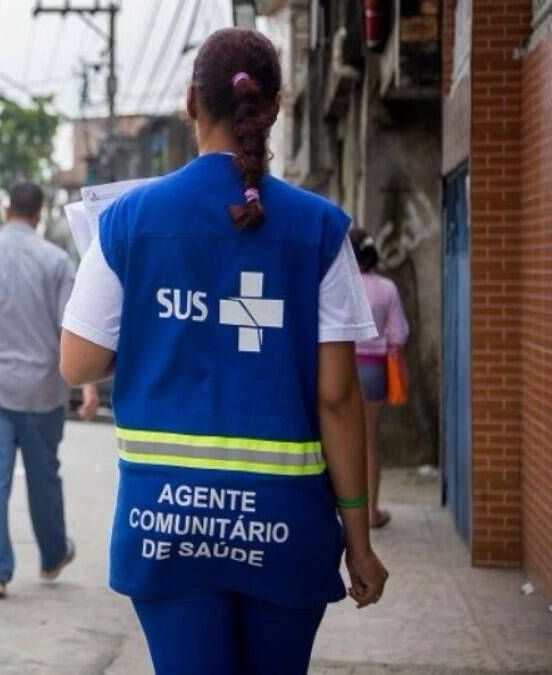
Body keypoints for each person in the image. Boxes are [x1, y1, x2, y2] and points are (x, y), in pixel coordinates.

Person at [58, 28, 389, 674]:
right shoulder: (319, 228)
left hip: (164, 523)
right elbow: (338, 398)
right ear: (275, 108)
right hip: (286, 524)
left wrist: (159, 321)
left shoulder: (127, 222)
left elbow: (78, 363)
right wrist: (359, 541)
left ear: (190, 103)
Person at [0, 181, 100, 600]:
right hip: (42, 390)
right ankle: (52, 555)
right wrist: (86, 386)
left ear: (6, 208)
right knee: (43, 476)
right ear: (38, 213)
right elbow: (75, 329)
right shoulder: (55, 262)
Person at [349, 229, 410, 529]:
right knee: (370, 441)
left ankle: (343, 511)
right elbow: (398, 336)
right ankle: (372, 512)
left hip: (343, 367)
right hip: (375, 369)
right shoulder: (387, 288)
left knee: (341, 438)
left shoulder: (341, 286)